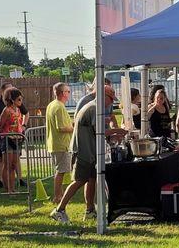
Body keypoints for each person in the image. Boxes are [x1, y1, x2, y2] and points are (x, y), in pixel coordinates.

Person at [50, 85, 127, 224]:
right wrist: (118, 131)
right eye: (110, 99)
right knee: (79, 181)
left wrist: (114, 132)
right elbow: (100, 131)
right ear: (103, 96)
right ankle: (59, 210)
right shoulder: (94, 108)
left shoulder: (95, 107)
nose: (111, 102)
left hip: (90, 150)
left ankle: (90, 210)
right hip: (84, 150)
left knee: (92, 179)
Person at [45, 83, 74, 204]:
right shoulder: (59, 107)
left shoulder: (52, 105)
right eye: (68, 91)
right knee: (60, 172)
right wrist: (75, 127)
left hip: (55, 143)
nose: (69, 93)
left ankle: (59, 195)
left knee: (60, 171)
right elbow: (61, 127)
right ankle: (58, 197)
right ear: (62, 93)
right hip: (61, 144)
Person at [0, 87, 25, 193]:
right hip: (7, 139)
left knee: (13, 165)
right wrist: (6, 135)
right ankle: (8, 188)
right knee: (7, 164)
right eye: (19, 99)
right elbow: (0, 126)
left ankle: (13, 188)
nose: (21, 101)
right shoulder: (6, 110)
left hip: (17, 139)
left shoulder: (18, 110)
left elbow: (19, 123)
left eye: (21, 99)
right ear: (12, 100)